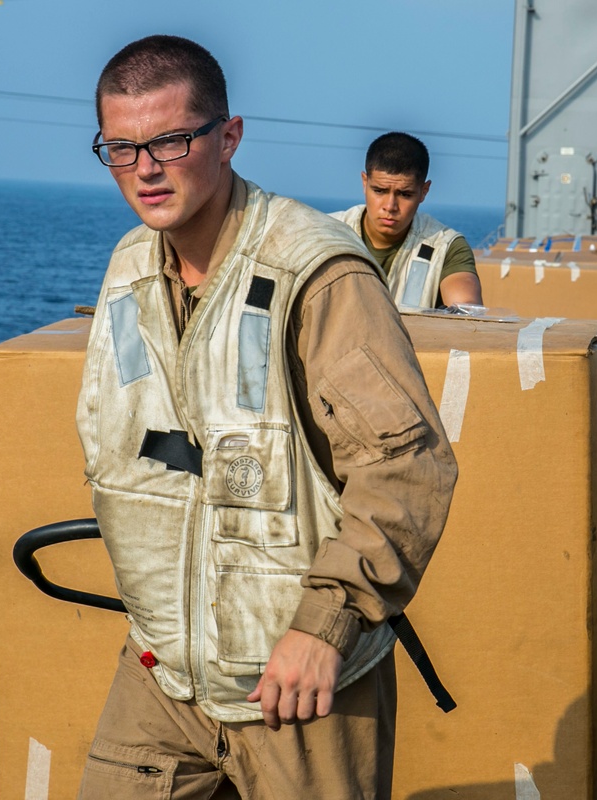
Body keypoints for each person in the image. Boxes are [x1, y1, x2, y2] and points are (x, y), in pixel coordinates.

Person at [76, 34, 457, 799]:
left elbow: (407, 467)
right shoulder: (127, 271)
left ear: (228, 137)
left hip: (298, 686)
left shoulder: (317, 275)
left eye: (171, 140)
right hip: (163, 676)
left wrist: (325, 626)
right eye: (121, 148)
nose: (146, 168)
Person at [332, 132, 483, 309]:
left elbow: (467, 313)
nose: (390, 206)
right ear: (364, 182)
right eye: (379, 191)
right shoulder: (326, 232)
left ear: (424, 191)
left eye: (405, 194)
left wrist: (465, 310)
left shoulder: (446, 247)